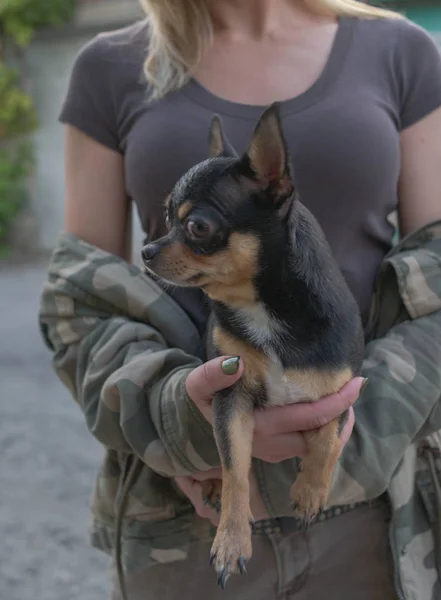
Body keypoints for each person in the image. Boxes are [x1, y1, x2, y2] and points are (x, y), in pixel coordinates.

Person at [37, 0, 441, 598]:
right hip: (184, 513)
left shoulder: (399, 50)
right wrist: (179, 420)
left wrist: (348, 442)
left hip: (380, 514)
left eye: (193, 230)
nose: (164, 247)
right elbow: (81, 302)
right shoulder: (111, 66)